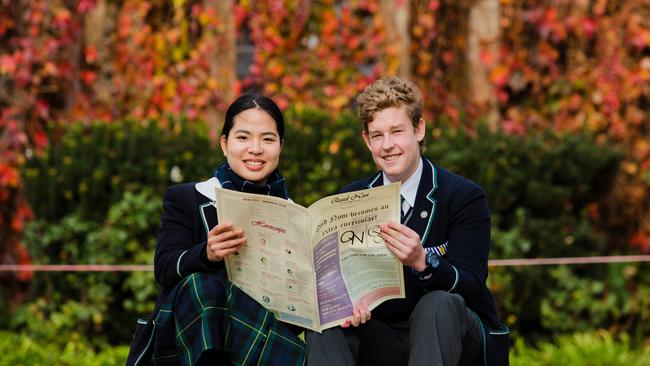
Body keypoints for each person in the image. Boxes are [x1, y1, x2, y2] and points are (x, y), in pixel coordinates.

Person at [306, 76, 510, 366]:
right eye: (377, 135)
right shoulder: (349, 198)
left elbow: (472, 287)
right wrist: (344, 304)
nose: (388, 146)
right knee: (326, 321)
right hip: (382, 334)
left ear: (419, 129)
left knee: (438, 304)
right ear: (367, 140)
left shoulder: (464, 196)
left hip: (455, 334)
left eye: (397, 131)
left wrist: (423, 262)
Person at [126, 94, 306, 366]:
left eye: (268, 139)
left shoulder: (297, 216)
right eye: (243, 137)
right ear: (225, 144)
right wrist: (206, 254)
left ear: (280, 146)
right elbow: (164, 269)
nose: (255, 149)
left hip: (258, 344)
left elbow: (293, 321)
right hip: (185, 343)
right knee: (205, 285)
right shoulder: (187, 197)